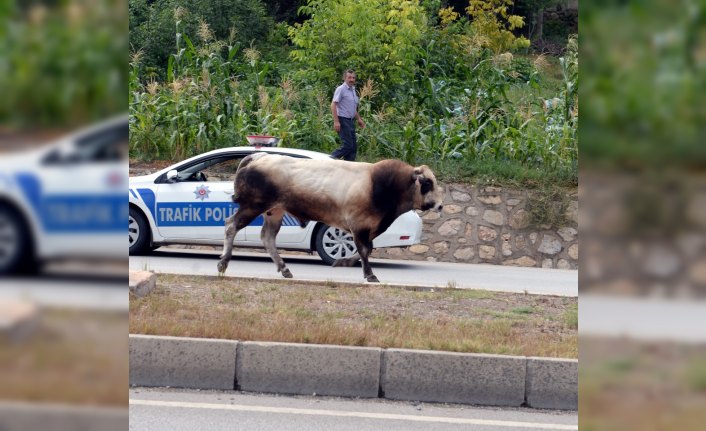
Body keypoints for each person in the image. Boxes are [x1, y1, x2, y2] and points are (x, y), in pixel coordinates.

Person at [330, 69, 365, 161]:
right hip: (342, 120)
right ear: (344, 78)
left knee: (353, 148)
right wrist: (336, 121)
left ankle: (348, 168)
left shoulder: (353, 90)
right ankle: (328, 159)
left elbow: (353, 108)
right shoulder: (341, 89)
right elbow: (333, 104)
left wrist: (359, 119)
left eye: (353, 78)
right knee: (348, 145)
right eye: (349, 77)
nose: (351, 79)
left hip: (351, 121)